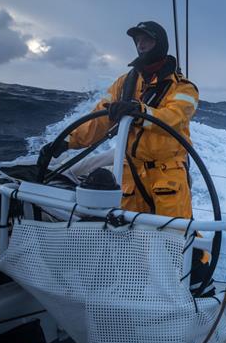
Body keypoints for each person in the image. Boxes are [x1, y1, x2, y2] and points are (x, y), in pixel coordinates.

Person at [39, 21, 199, 218]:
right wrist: (66, 142)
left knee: (175, 239)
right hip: (130, 173)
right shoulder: (124, 83)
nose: (140, 45)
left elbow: (173, 119)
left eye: (146, 40)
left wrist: (139, 111)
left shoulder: (184, 88)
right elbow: (99, 119)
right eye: (138, 40)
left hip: (168, 175)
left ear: (160, 44)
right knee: (126, 235)